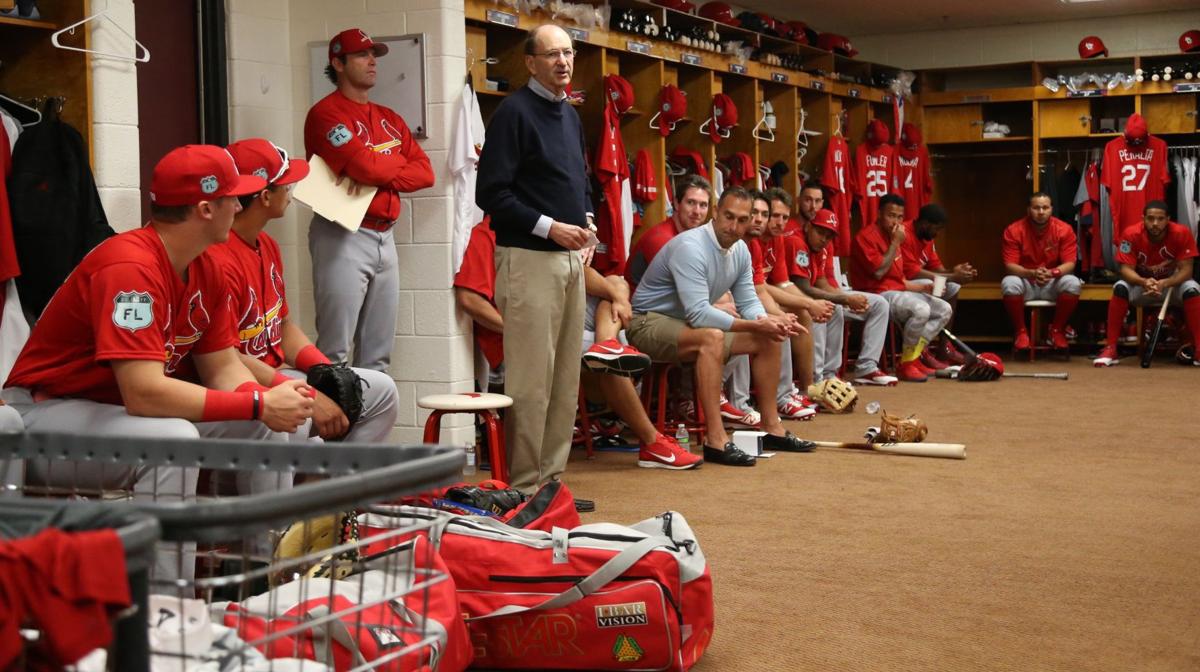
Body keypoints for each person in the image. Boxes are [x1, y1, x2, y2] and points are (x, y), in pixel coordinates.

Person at [0, 145, 314, 578]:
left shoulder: (207, 267)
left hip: (108, 413)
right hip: (42, 413)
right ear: (206, 208)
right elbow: (144, 392)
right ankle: (168, 607)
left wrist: (267, 399)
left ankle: (263, 573)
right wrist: (259, 403)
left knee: (262, 426)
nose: (239, 205)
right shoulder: (129, 266)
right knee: (174, 439)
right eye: (232, 197)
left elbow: (222, 366)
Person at [454, 220, 700, 470]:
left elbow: (579, 271)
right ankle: (651, 441)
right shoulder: (488, 233)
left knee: (616, 284)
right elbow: (469, 299)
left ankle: (606, 347)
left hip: (559, 321)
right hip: (520, 338)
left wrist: (616, 296)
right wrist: (519, 331)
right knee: (609, 362)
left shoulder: (543, 227)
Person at [475, 24, 594, 495]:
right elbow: (492, 194)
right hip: (528, 259)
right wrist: (550, 226)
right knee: (531, 383)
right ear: (530, 62)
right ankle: (524, 487)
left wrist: (586, 223)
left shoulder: (570, 115)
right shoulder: (513, 114)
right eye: (552, 55)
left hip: (570, 261)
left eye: (567, 53)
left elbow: (579, 183)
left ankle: (551, 484)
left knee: (565, 381)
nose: (562, 62)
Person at [217, 138, 399, 441]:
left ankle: (339, 485)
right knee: (296, 413)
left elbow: (283, 326)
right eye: (285, 185)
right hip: (242, 383)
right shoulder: (217, 258)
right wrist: (310, 392)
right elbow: (225, 359)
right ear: (264, 197)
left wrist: (325, 369)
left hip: (276, 375)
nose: (291, 191)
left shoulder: (268, 245)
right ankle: (307, 486)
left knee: (381, 391)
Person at [628, 187, 815, 467]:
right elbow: (699, 313)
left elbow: (749, 300)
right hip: (646, 322)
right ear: (715, 213)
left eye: (741, 220)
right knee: (712, 338)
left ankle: (771, 427)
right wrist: (753, 324)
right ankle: (715, 440)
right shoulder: (691, 246)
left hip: (684, 324)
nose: (733, 226)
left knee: (770, 338)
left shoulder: (740, 249)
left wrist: (768, 321)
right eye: (728, 216)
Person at [304, 28, 434, 371]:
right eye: (362, 55)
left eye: (373, 54)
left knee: (378, 356)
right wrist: (380, 168)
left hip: (385, 235)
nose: (372, 61)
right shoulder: (327, 114)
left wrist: (375, 173)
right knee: (334, 352)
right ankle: (330, 426)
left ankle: (368, 426)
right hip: (343, 232)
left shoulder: (389, 118)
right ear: (338, 63)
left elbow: (425, 173)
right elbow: (365, 165)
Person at [792, 182, 895, 386]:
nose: (824, 239)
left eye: (829, 236)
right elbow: (803, 287)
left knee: (878, 304)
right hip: (796, 298)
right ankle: (817, 379)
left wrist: (847, 299)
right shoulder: (796, 241)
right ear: (809, 226)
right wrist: (844, 298)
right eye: (821, 233)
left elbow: (821, 281)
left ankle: (853, 370)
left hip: (823, 293)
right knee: (827, 309)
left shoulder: (823, 247)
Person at [850, 194, 952, 382]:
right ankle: (906, 364)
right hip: (876, 294)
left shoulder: (894, 236)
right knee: (922, 309)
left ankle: (913, 357)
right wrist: (896, 242)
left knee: (944, 309)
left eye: (899, 217)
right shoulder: (866, 237)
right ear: (879, 214)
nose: (896, 222)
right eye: (891, 215)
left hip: (896, 291)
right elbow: (879, 273)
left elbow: (898, 281)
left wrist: (923, 287)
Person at [1093, 201, 1200, 367]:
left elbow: (1187, 270)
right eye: (1150, 218)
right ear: (1143, 218)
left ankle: (1199, 350)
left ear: (1168, 219)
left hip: (1170, 287)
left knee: (1192, 288)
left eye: (1160, 219)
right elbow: (1126, 270)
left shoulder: (1181, 233)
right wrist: (1143, 282)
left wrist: (1166, 282)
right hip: (1142, 287)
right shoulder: (1131, 234)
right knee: (1120, 287)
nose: (1155, 223)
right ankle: (1111, 348)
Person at [1001, 192, 1081, 352]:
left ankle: (1057, 330)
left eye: (1045, 207)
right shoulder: (1014, 230)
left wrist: (1052, 273)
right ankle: (1021, 332)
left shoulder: (1064, 229)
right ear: (1028, 210)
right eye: (1036, 207)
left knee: (1073, 282)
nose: (1041, 212)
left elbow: (1070, 264)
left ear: (1051, 209)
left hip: (1051, 282)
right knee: (1009, 282)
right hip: (1026, 282)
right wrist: (1032, 273)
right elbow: (1010, 265)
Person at [900, 204, 977, 366]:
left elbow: (939, 270)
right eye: (937, 228)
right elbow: (913, 272)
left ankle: (944, 346)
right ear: (926, 224)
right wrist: (952, 276)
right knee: (933, 282)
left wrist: (957, 274)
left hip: (921, 286)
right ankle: (922, 350)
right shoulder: (905, 234)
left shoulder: (927, 239)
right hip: (904, 285)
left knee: (953, 286)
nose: (938, 233)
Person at [626, 174, 712, 287]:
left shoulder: (695, 238)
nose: (697, 211)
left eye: (703, 205)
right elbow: (690, 290)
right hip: (641, 303)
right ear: (676, 203)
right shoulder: (662, 239)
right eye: (691, 202)